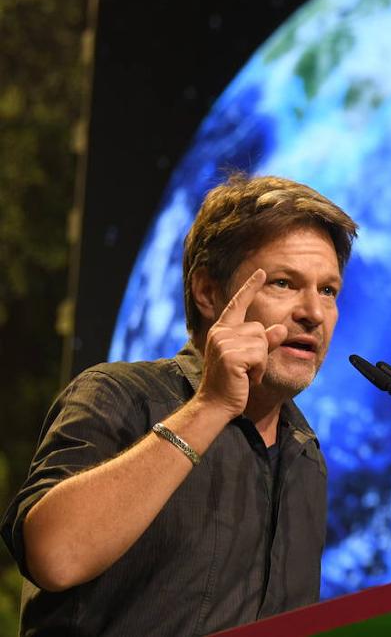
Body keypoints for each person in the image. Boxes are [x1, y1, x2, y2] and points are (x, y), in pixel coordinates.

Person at [1, 174, 358, 635]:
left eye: (328, 290)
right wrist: (211, 406)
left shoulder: (305, 455)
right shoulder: (119, 395)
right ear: (207, 292)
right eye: (285, 283)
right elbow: (55, 556)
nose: (313, 312)